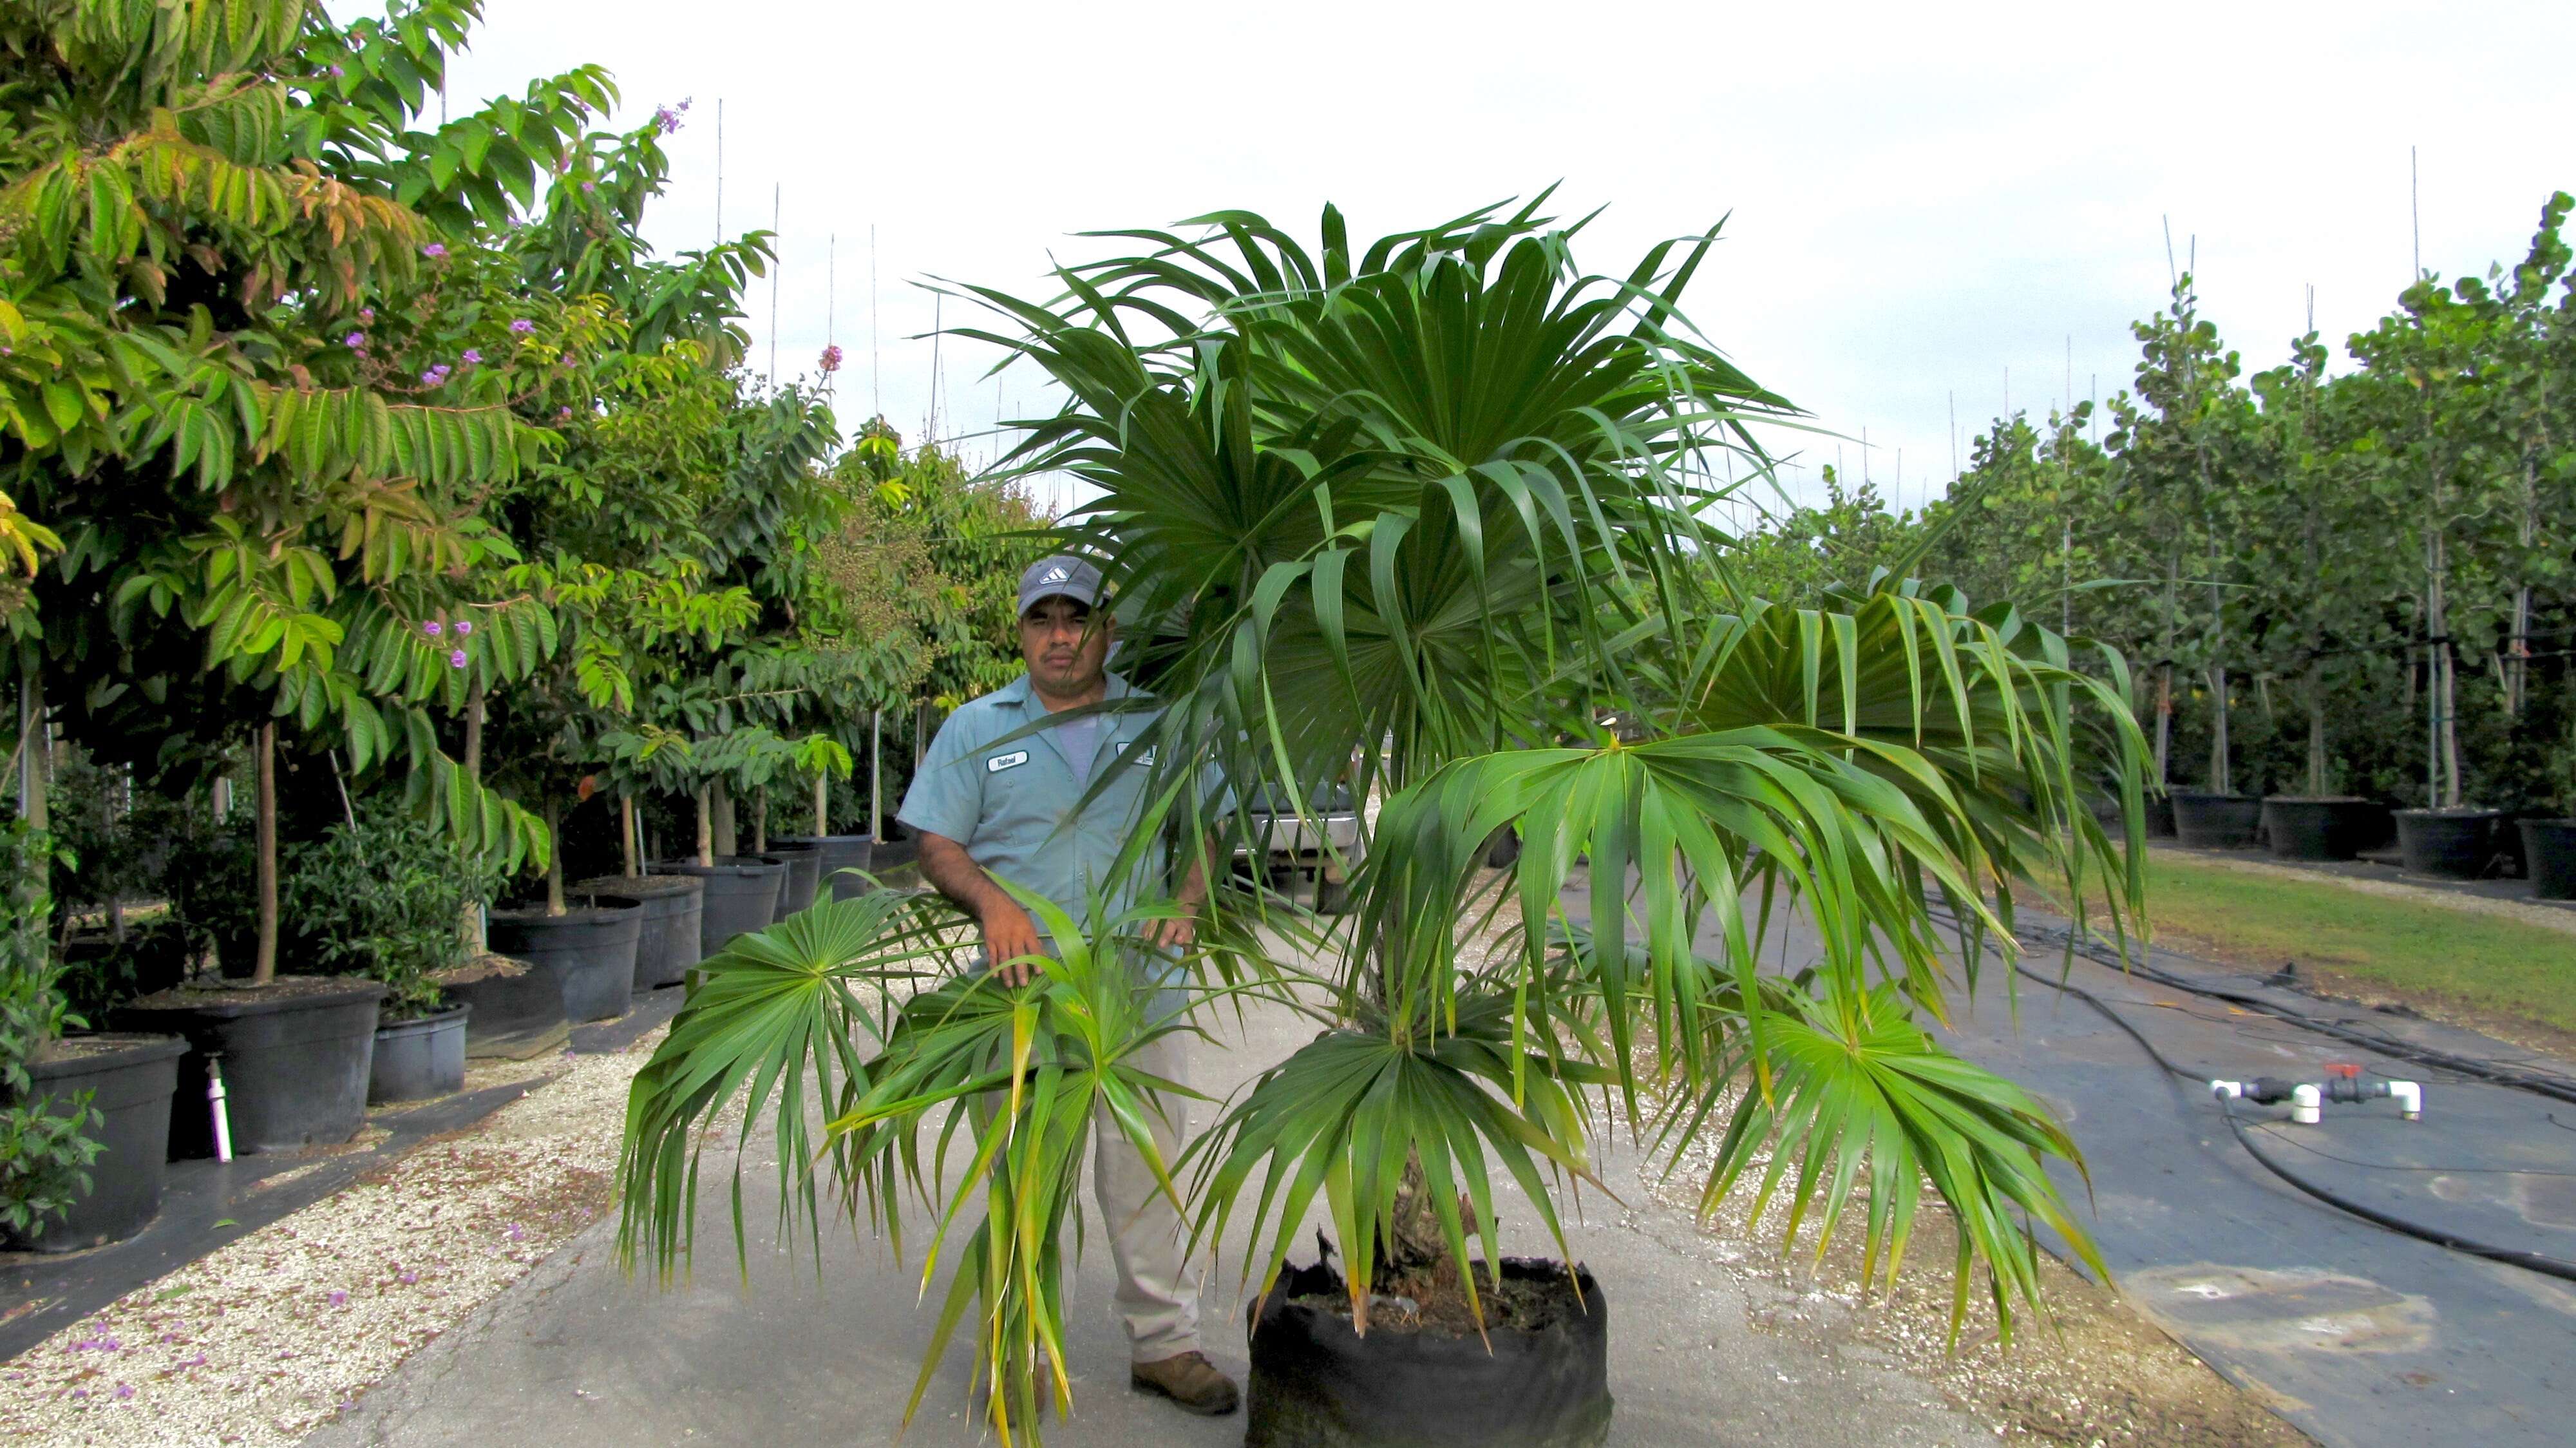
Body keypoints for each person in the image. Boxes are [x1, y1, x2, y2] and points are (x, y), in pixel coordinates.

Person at [896, 555, 1240, 1418]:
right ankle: (1022, 1344)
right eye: (1040, 619)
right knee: (1027, 1172)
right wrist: (993, 903)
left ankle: (1166, 1344)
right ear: (1018, 633)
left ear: (1106, 632)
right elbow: (938, 841)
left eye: (1075, 618)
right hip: (1025, 992)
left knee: (1148, 1169)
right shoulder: (977, 729)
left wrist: (1186, 900)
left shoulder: (1158, 722)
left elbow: (1205, 824)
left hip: (1139, 993)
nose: (1058, 636)